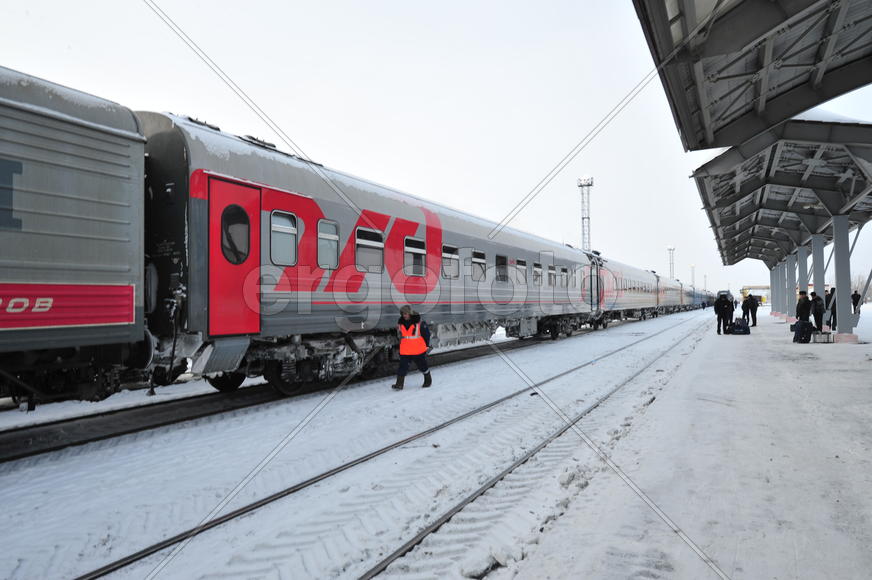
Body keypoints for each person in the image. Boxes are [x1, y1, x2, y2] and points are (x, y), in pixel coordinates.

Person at [391, 304, 432, 390]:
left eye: (406, 313)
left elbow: (426, 335)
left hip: (418, 350)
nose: (404, 315)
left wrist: (427, 346)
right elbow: (400, 335)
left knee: (422, 366)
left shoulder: (420, 323)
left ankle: (428, 380)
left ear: (410, 313)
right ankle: (399, 384)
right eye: (403, 314)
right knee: (402, 367)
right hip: (405, 350)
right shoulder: (400, 323)